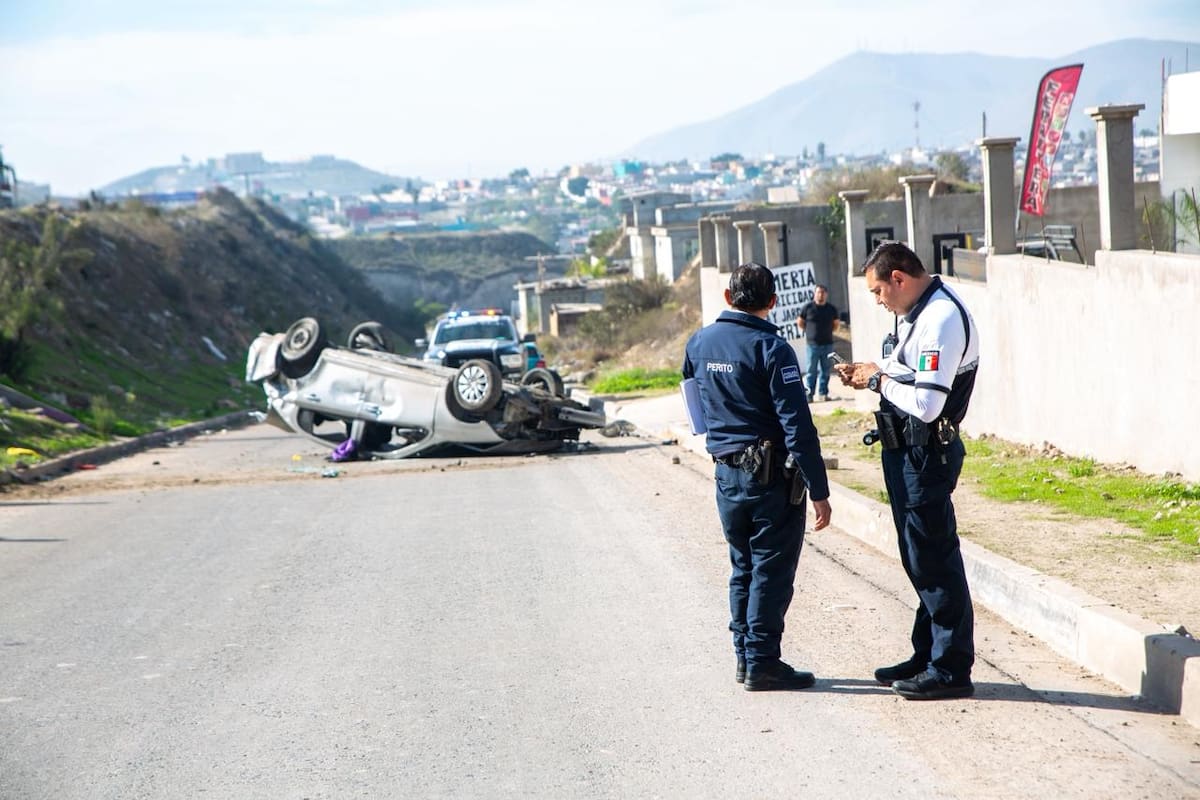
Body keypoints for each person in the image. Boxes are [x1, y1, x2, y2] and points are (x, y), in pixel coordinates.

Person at [834, 242, 980, 701]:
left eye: (879, 291)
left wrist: (877, 381)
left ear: (899, 278)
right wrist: (874, 370)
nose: (878, 301)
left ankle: (951, 668)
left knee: (934, 559)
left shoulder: (939, 319)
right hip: (906, 454)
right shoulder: (920, 315)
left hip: (925, 456)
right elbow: (910, 373)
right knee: (918, 556)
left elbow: (927, 402)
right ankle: (928, 654)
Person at [682, 262, 833, 692]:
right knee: (769, 569)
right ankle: (763, 662)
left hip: (726, 475)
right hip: (771, 482)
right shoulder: (773, 348)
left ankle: (745, 660)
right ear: (773, 301)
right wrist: (819, 491)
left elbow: (695, 410)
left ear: (729, 298)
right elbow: (797, 426)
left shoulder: (699, 342)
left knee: (742, 567)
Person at [798, 284, 840, 402]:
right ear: (815, 294)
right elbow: (800, 322)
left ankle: (823, 394)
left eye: (823, 292)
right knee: (811, 371)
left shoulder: (831, 309)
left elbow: (836, 324)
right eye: (818, 292)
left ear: (826, 294)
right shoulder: (808, 308)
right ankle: (809, 395)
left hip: (827, 345)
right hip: (812, 345)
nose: (820, 295)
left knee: (825, 371)